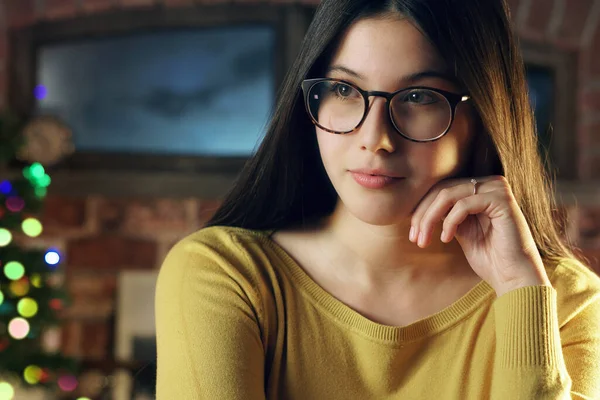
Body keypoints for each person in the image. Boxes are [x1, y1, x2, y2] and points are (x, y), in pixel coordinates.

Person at [155, 0, 600, 398]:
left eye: (419, 97)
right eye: (346, 90)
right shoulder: (224, 276)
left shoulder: (563, 303)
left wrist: (520, 288)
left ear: (482, 117)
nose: (376, 138)